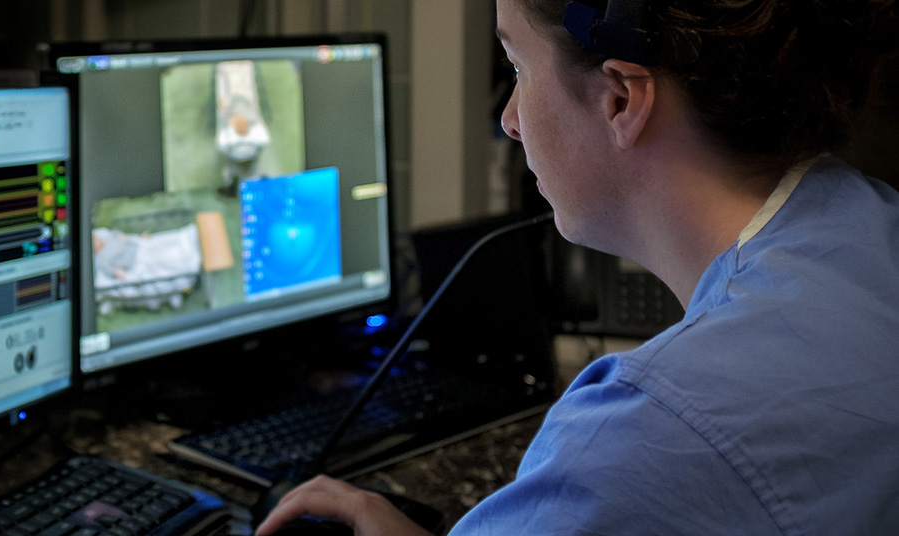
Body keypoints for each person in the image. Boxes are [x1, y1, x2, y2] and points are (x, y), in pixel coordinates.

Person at [259, 0, 899, 534]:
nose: (510, 120)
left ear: (621, 97)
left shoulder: (645, 435)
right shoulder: (876, 228)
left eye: (518, 67)